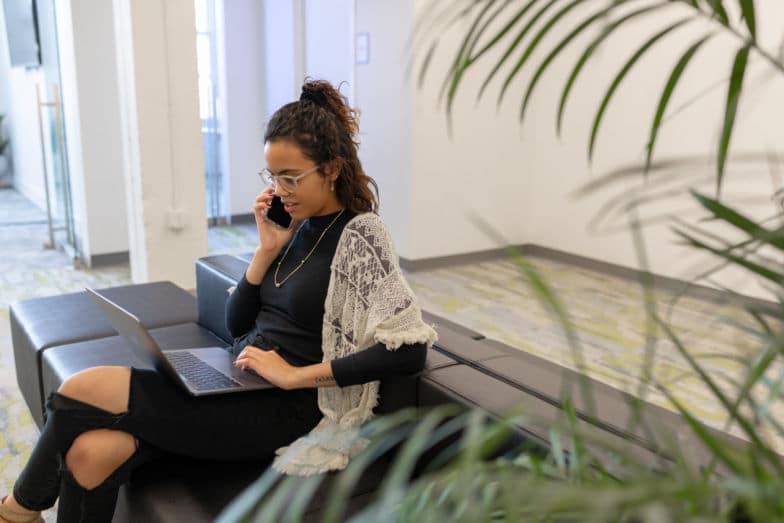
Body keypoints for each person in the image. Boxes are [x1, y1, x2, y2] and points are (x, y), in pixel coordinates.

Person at [0, 79, 437, 523]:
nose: (281, 190)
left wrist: (294, 375)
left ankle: (16, 513)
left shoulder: (362, 235)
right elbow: (236, 324)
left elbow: (409, 351)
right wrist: (265, 251)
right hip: (238, 380)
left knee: (84, 387)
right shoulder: (295, 227)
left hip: (286, 406)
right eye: (273, 177)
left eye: (291, 177)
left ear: (333, 169)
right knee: (93, 453)